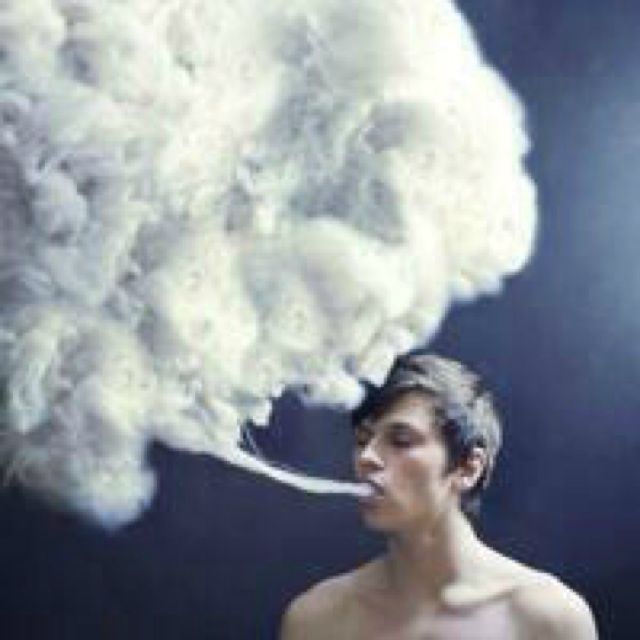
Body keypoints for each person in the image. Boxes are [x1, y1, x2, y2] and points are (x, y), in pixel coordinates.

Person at [279, 354, 598, 639]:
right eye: (363, 440)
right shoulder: (317, 621)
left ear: (469, 467)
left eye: (401, 440)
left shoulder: (549, 619)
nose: (366, 457)